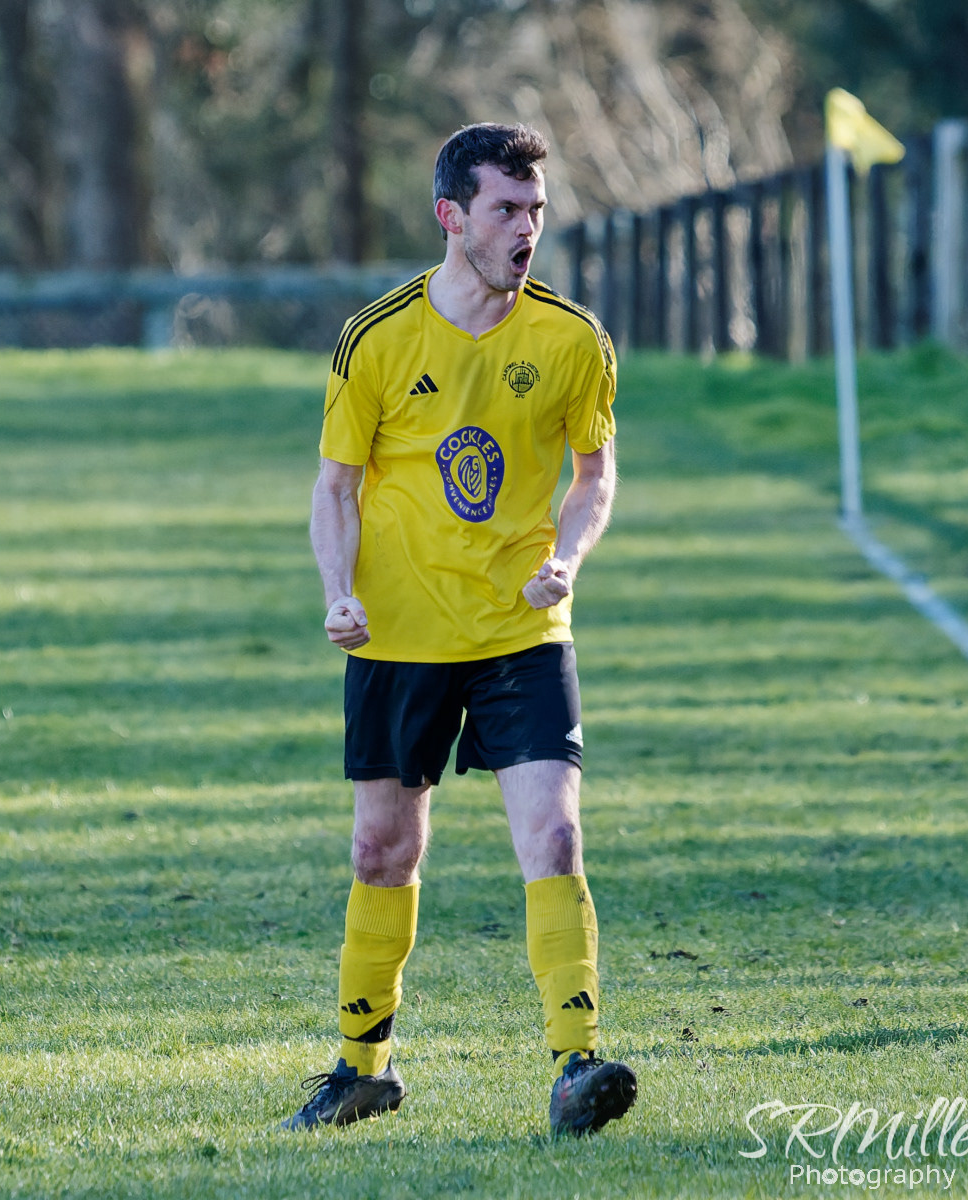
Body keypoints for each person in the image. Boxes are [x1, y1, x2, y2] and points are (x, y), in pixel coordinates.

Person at [282, 123, 635, 1137]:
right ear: (450, 216)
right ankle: (361, 1068)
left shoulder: (573, 340)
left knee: (555, 833)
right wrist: (337, 591)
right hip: (398, 636)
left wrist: (567, 557)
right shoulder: (376, 338)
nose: (526, 229)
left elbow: (594, 475)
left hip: (523, 630)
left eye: (536, 211)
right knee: (381, 849)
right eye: (505, 210)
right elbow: (335, 487)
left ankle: (575, 1063)